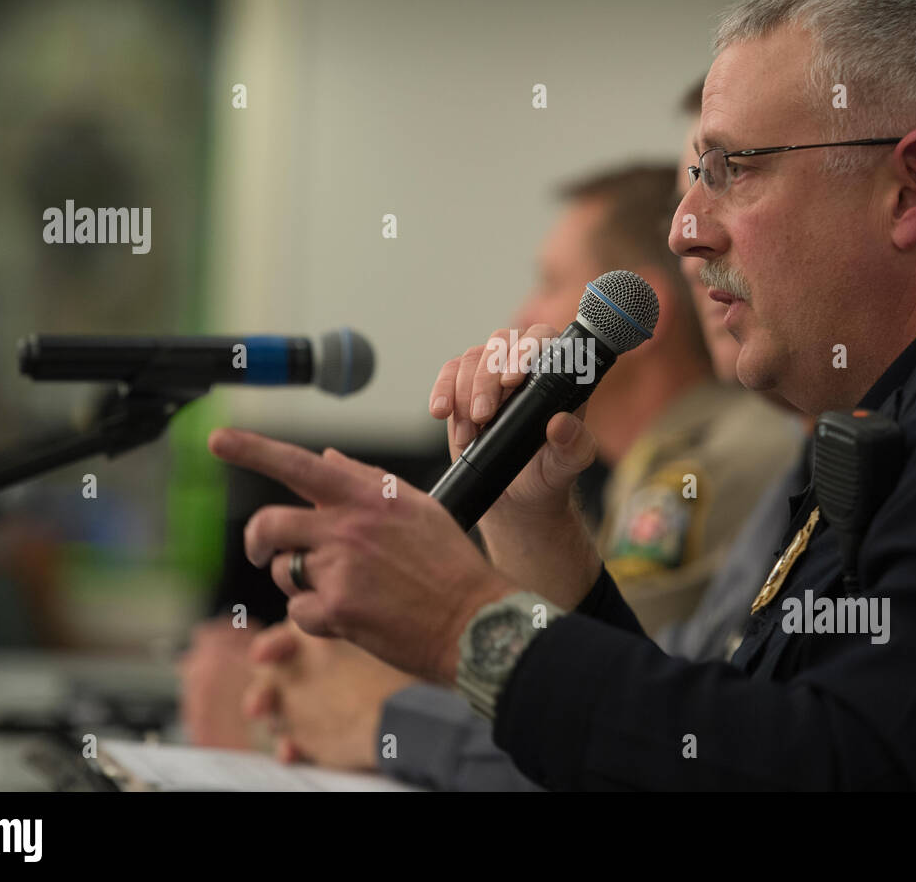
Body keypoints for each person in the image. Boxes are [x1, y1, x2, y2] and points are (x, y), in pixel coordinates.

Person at [208, 0, 916, 790]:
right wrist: (533, 525)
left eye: (734, 170)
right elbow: (736, 749)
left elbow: (870, 768)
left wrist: (465, 626)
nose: (685, 229)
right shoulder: (906, 408)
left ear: (912, 184)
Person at [193, 163, 799, 762]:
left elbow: (601, 693)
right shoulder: (639, 463)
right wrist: (521, 516)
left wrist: (366, 703)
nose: (520, 316)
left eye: (550, 282)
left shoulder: (712, 462)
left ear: (644, 310)